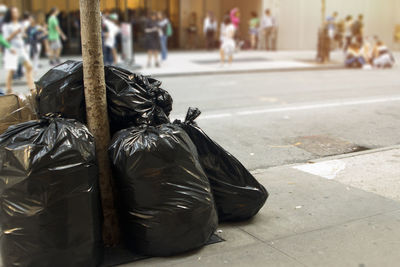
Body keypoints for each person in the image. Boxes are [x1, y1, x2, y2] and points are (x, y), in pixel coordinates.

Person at [2, 6, 34, 94]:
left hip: (21, 49)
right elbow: (5, 39)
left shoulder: (19, 24)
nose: (16, 13)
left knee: (29, 66)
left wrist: (23, 34)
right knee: (11, 70)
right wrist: (15, 33)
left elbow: (21, 34)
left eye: (17, 12)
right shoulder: (7, 26)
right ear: (10, 14)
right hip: (12, 49)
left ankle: (32, 87)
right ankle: (8, 90)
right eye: (14, 12)